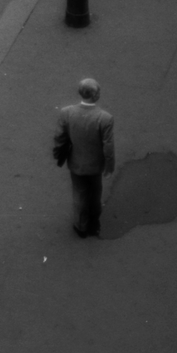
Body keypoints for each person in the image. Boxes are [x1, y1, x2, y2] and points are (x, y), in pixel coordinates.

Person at [54, 78, 115, 238]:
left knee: (79, 193)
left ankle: (81, 225)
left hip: (76, 162)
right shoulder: (105, 118)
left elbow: (60, 137)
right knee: (96, 190)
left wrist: (59, 154)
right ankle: (94, 215)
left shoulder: (66, 112)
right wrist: (109, 167)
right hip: (96, 165)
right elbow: (108, 147)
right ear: (95, 96)